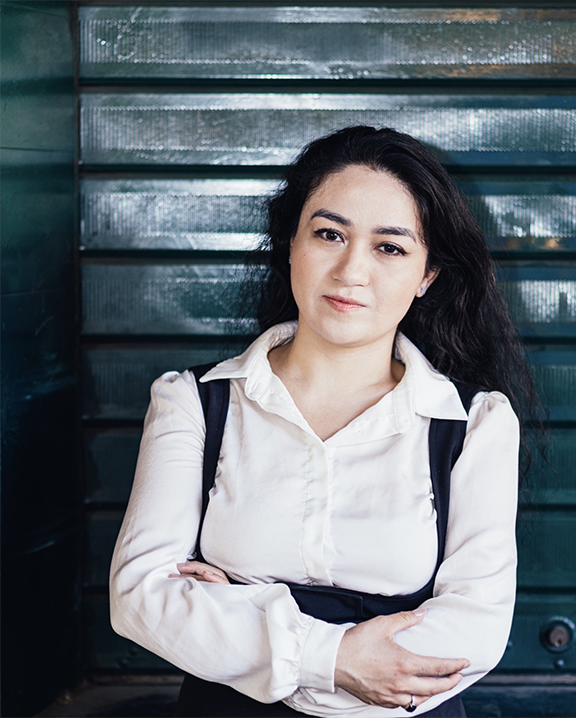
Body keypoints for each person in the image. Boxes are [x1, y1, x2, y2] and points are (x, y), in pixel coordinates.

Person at [109, 126, 541, 717]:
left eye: (389, 247)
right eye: (329, 234)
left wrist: (244, 627)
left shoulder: (475, 424)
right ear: (291, 242)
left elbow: (475, 629)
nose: (350, 270)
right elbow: (140, 598)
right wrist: (335, 659)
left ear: (427, 275)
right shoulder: (195, 402)